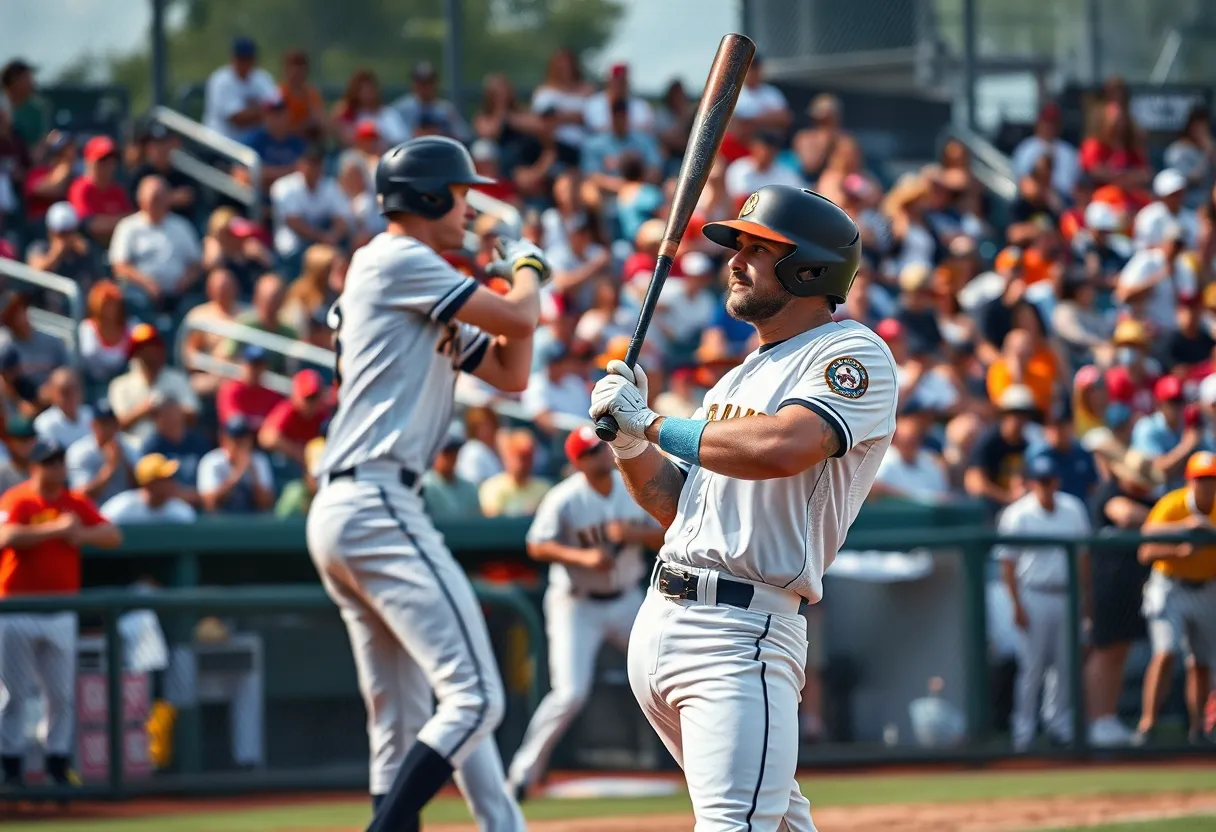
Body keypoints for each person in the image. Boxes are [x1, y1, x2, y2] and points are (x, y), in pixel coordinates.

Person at [590, 184, 896, 830]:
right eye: (739, 247)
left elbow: (786, 445)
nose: (735, 260)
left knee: (738, 823)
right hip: (668, 617)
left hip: (740, 632)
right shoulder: (739, 376)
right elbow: (674, 505)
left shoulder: (852, 352)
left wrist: (652, 424)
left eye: (759, 249)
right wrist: (628, 444)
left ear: (809, 269)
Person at [305, 135, 547, 832]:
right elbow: (521, 315)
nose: (469, 207)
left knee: (400, 716)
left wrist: (510, 279)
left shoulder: (410, 278)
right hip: (378, 498)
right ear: (430, 195)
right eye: (462, 193)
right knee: (477, 698)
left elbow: (511, 371)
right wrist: (525, 267)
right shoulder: (398, 257)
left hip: (356, 502)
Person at [507, 426, 663, 798]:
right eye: (592, 452)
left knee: (664, 674)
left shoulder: (631, 487)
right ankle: (523, 775)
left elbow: (668, 532)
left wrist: (634, 535)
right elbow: (537, 545)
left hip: (626, 600)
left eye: (602, 448)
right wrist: (582, 557)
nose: (602, 454)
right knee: (570, 693)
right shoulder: (564, 498)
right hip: (576, 604)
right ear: (578, 462)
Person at [0, 440, 121, 790]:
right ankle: (11, 765)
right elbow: (6, 535)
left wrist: (81, 533)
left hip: (61, 611)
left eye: (60, 461)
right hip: (17, 610)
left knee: (62, 696)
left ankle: (57, 763)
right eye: (49, 462)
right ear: (34, 466)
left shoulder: (73, 502)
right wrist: (56, 530)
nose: (57, 468)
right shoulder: (17, 499)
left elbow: (113, 535)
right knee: (13, 695)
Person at [995, 454, 1091, 752]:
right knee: (1031, 666)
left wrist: (1085, 599)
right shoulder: (1017, 514)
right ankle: (1023, 731)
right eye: (1040, 481)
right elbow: (1007, 564)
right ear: (1031, 483)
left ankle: (1058, 725)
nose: (1046, 486)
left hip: (1067, 593)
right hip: (1033, 593)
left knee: (1064, 665)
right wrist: (1015, 604)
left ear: (1057, 481)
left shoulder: (1073, 508)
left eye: (1050, 480)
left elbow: (1084, 558)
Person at [1135, 450, 1216, 746]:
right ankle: (1148, 725)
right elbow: (1145, 550)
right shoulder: (1173, 505)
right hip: (1171, 585)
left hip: (1207, 587)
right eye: (1200, 479)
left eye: (1211, 479)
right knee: (1166, 652)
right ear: (1189, 481)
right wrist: (1180, 546)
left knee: (1202, 662)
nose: (1206, 485)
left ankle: (1198, 730)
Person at [1085, 439, 1158, 747]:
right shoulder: (1109, 493)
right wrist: (1167, 521)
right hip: (1106, 586)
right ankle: (1097, 719)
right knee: (1105, 652)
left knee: (1119, 651)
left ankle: (1107, 716)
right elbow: (1126, 515)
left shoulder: (1145, 499)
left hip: (1130, 586)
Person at [109, 175, 204, 313]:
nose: (157, 202)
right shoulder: (128, 227)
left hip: (179, 295)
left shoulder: (181, 226)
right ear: (141, 199)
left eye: (161, 197)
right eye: (153, 198)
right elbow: (120, 266)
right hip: (139, 293)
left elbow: (196, 263)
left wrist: (186, 280)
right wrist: (147, 284)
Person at [108, 323, 200, 442]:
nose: (151, 353)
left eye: (155, 347)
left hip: (171, 446)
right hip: (135, 448)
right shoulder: (120, 385)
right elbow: (117, 425)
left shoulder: (177, 378)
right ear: (135, 353)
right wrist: (145, 410)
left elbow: (192, 415)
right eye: (144, 348)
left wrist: (167, 410)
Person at [268, 145, 351, 274]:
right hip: (293, 247)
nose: (313, 168)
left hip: (323, 243)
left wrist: (333, 236)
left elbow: (341, 220)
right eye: (310, 163)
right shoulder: (284, 186)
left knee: (344, 250)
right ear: (300, 164)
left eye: (317, 164)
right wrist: (323, 237)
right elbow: (294, 222)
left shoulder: (329, 186)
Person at [202, 37, 279, 142]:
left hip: (254, 144)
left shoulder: (262, 78)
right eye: (241, 59)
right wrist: (265, 111)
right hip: (220, 143)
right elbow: (238, 120)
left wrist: (256, 111)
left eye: (248, 58)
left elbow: (278, 109)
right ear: (232, 58)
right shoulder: (221, 80)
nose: (245, 63)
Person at [197, 415, 275, 514]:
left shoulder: (258, 460)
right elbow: (210, 504)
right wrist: (237, 473)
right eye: (235, 440)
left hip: (252, 520)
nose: (240, 445)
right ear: (223, 440)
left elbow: (266, 504)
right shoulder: (211, 461)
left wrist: (253, 473)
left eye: (244, 440)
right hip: (221, 521)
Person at [66, 400, 139, 506]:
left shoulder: (129, 447)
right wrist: (110, 467)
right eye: (103, 424)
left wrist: (125, 462)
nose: (108, 429)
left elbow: (142, 490)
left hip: (127, 510)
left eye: (112, 424)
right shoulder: (79, 452)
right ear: (93, 425)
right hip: (94, 511)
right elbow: (81, 495)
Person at [66, 135, 131, 247]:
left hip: (117, 245)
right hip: (90, 247)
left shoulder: (117, 190)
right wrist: (122, 221)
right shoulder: (81, 188)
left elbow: (132, 221)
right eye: (102, 160)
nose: (108, 165)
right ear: (89, 161)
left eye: (112, 160)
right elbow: (91, 226)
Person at [257, 369, 328, 468]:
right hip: (284, 466)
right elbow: (266, 437)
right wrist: (299, 453)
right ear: (296, 395)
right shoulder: (288, 410)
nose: (311, 403)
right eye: (308, 398)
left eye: (315, 398)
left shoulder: (322, 416)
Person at [100, 453, 196, 524]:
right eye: (164, 479)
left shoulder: (180, 511)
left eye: (170, 478)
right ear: (149, 484)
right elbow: (102, 528)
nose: (171, 483)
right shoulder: (122, 506)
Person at [127, 123, 199, 218]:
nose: (160, 149)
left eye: (164, 144)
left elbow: (188, 197)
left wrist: (159, 199)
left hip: (177, 223)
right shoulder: (141, 174)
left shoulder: (181, 173)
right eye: (156, 144)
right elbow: (137, 202)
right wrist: (171, 198)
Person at [0, 290, 69, 387]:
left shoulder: (53, 342)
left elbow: (69, 373)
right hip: (16, 395)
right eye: (11, 315)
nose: (17, 318)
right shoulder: (4, 346)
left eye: (19, 311)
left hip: (51, 394)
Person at [478, 429, 552, 518]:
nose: (523, 463)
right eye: (519, 457)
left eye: (527, 457)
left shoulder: (545, 489)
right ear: (507, 457)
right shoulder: (491, 488)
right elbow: (493, 520)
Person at [392, 61, 469, 142]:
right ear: (413, 83)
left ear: (436, 83)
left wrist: (441, 134)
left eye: (429, 82)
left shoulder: (446, 110)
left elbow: (464, 136)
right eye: (420, 82)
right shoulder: (400, 109)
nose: (425, 87)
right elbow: (394, 140)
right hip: (410, 148)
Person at [420, 427, 483, 521]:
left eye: (454, 452)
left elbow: (476, 521)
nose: (451, 458)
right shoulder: (423, 487)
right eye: (446, 453)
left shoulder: (469, 488)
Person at [34, 367, 93, 450]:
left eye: (75, 389)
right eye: (65, 392)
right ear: (53, 393)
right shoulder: (45, 423)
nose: (72, 396)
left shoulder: (91, 414)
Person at [275, 437, 327, 518]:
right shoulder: (294, 494)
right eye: (316, 476)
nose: (319, 481)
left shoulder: (337, 493)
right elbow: (281, 522)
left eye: (324, 475)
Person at [0, 417, 36, 493]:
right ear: (10, 442)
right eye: (22, 440)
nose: (28, 445)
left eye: (31, 439)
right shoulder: (2, 472)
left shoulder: (43, 469)